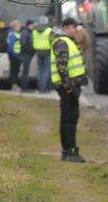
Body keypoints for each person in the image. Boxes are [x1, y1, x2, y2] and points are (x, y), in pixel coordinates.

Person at [52, 17, 87, 162]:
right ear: (66, 27)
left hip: (68, 86)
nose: (75, 30)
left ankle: (66, 150)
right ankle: (71, 151)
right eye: (73, 27)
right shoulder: (63, 42)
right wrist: (68, 86)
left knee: (66, 117)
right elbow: (62, 66)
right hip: (68, 86)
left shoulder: (66, 41)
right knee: (71, 118)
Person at [33, 15, 53, 92]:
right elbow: (53, 40)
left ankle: (40, 86)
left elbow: (31, 41)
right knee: (46, 70)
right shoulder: (49, 30)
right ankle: (44, 88)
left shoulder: (35, 30)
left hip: (38, 51)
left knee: (40, 70)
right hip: (47, 51)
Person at [7, 20, 23, 90]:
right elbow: (10, 46)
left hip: (17, 55)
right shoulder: (12, 35)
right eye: (19, 26)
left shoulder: (17, 33)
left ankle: (15, 85)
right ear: (15, 27)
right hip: (14, 55)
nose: (20, 27)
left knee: (16, 70)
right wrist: (15, 54)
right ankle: (14, 85)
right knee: (14, 70)